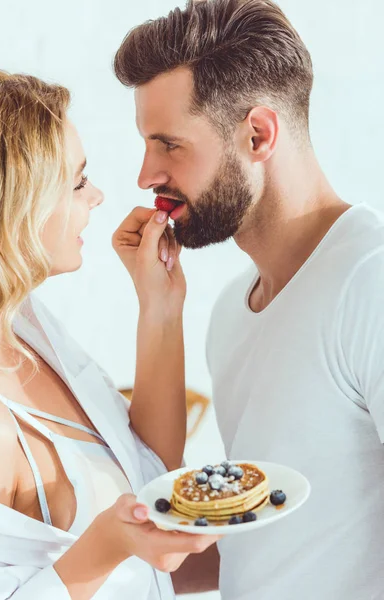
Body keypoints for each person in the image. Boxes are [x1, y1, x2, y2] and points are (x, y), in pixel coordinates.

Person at [113, 0, 384, 598]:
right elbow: (273, 540)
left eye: (169, 145)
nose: (146, 173)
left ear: (257, 134)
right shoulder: (231, 313)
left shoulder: (370, 282)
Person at [0, 68, 220, 600]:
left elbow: (149, 468)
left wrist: (159, 305)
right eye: (77, 181)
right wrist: (109, 544)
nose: (99, 196)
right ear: (14, 205)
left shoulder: (29, 330)